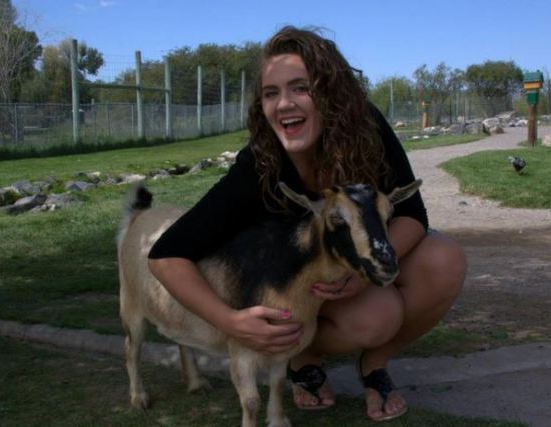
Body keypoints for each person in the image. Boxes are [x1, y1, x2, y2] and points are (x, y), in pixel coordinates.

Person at [148, 26, 466, 422]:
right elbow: (166, 256)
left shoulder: (366, 130)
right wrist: (230, 322)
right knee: (377, 316)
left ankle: (375, 365)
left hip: (344, 275)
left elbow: (413, 216)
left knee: (444, 259)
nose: (284, 104)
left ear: (332, 94)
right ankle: (303, 360)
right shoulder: (258, 168)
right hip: (295, 293)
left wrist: (364, 272)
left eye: (301, 88)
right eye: (271, 93)